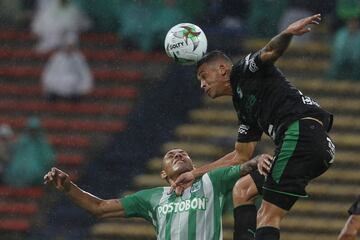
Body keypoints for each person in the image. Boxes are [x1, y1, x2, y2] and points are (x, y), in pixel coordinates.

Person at [171, 14, 336, 240]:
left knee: (267, 217)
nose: (201, 84)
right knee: (243, 190)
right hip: (309, 143)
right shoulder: (243, 105)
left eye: (203, 76)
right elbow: (241, 156)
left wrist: (287, 34)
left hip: (301, 135)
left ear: (221, 69)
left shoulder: (242, 71)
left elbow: (270, 52)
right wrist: (194, 173)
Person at [44, 148, 260, 239]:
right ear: (163, 173)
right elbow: (99, 208)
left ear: (193, 164)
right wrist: (68, 188)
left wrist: (256, 162)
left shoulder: (211, 181)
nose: (177, 154)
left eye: (183, 154)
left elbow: (244, 163)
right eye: (171, 154)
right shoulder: (152, 197)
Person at [41, 33, 93, 103]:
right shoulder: (57, 57)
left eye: (71, 46)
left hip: (72, 82)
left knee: (72, 83)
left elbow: (84, 72)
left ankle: (73, 99)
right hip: (58, 81)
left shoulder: (78, 57)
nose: (69, 48)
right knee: (52, 83)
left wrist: (84, 86)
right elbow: (49, 71)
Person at [4, 117, 55, 187]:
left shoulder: (42, 144)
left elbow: (49, 158)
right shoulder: (22, 142)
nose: (33, 132)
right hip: (20, 170)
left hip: (37, 173)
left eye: (34, 130)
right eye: (31, 130)